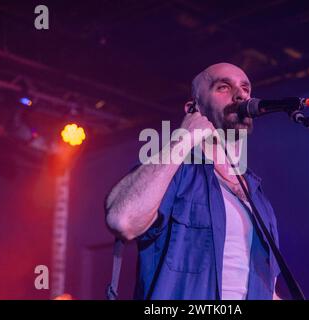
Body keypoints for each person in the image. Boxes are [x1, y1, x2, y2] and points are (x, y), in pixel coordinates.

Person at [105, 62, 281, 300]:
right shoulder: (174, 173)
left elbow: (263, 288)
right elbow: (122, 220)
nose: (240, 95)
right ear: (193, 108)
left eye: (245, 88)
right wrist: (183, 138)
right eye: (223, 87)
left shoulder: (257, 196)